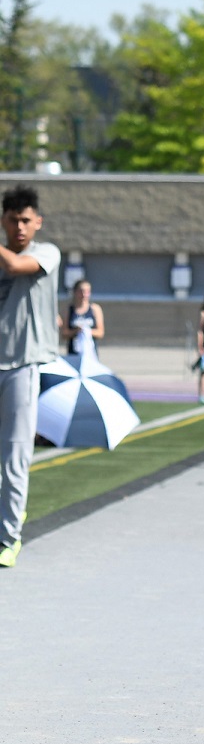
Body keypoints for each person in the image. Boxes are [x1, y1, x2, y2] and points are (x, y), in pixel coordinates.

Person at [0, 185, 61, 567]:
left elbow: (15, 266)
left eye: (26, 220)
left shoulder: (46, 253)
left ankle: (8, 540)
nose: (20, 227)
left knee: (15, 456)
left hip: (22, 366)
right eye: (13, 220)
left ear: (37, 222)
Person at [58, 278, 105, 357]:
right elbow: (64, 333)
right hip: (73, 353)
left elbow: (100, 332)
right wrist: (76, 331)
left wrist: (86, 331)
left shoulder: (95, 309)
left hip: (90, 354)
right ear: (75, 292)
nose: (84, 295)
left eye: (87, 292)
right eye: (81, 291)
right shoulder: (68, 310)